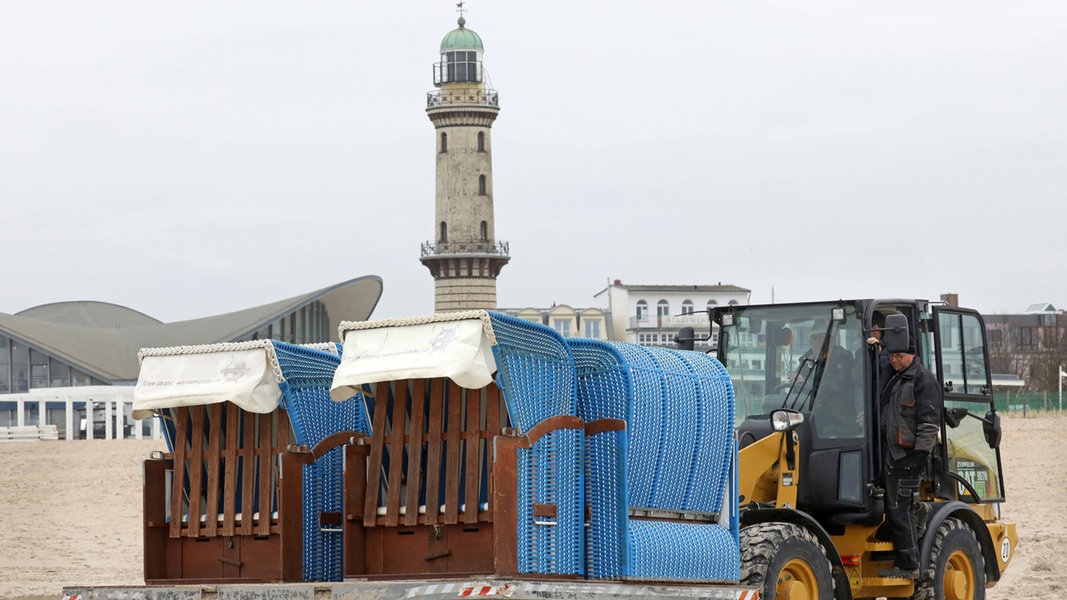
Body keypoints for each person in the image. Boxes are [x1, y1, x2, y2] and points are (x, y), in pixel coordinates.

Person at [877, 342, 942, 579]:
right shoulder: (896, 376)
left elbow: (928, 423)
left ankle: (908, 564)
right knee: (894, 506)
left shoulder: (923, 380)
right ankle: (920, 512)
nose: (894, 360)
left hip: (907, 456)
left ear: (912, 355)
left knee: (898, 508)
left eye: (899, 356)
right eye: (892, 356)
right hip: (890, 453)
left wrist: (920, 456)